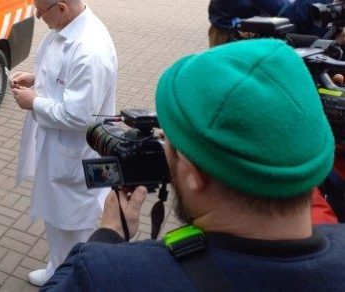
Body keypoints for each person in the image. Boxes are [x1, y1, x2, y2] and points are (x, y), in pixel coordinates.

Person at [42, 38, 345, 291]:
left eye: (169, 141)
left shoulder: (108, 275)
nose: (163, 146)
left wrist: (108, 234)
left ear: (195, 174)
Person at [10, 0, 117, 287]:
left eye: (40, 11)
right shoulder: (64, 28)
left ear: (61, 7)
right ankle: (57, 265)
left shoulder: (90, 50)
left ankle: (72, 280)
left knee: (73, 224)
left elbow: (80, 116)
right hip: (58, 149)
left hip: (76, 155)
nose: (38, 17)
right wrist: (37, 78)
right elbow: (61, 76)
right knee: (56, 218)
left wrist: (34, 102)